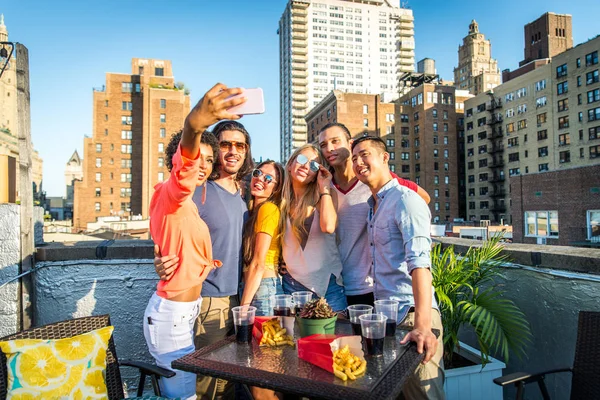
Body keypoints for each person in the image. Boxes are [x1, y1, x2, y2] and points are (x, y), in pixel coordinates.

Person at [143, 83, 245, 400]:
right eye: (198, 157)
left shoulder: (186, 202)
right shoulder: (173, 193)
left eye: (208, 160)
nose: (203, 164)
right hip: (173, 314)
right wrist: (194, 126)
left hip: (184, 310)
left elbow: (173, 237)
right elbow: (184, 170)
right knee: (186, 394)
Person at [351, 135, 445, 400]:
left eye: (364, 154)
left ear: (384, 158)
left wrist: (423, 325)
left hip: (413, 316)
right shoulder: (373, 206)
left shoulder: (406, 200)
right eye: (354, 158)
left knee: (424, 396)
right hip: (389, 319)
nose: (358, 162)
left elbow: (420, 265)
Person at [317, 122, 430, 306]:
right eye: (323, 145)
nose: (329, 149)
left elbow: (421, 198)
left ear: (350, 143)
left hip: (371, 287)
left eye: (335, 141)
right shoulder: (323, 185)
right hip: (333, 286)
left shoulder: (373, 178)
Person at [280, 144, 347, 312]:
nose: (305, 166)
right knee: (295, 337)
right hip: (292, 285)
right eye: (302, 159)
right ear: (290, 165)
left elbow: (328, 226)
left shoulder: (325, 195)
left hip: (327, 287)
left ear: (316, 174)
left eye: (313, 165)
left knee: (332, 337)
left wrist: (324, 186)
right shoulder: (281, 202)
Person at [240, 161, 285, 400]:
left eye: (270, 179)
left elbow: (258, 263)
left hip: (263, 292)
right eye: (259, 173)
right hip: (257, 289)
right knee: (256, 373)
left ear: (276, 189)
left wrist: (244, 307)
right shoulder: (252, 210)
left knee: (262, 376)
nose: (261, 179)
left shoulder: (269, 209)